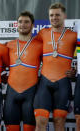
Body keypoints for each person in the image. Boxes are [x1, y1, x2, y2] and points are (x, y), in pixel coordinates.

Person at [34, 3, 77, 131]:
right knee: (41, 121)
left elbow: (79, 56)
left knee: (59, 122)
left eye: (57, 14)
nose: (54, 17)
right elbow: (31, 51)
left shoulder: (73, 36)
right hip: (44, 82)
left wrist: (76, 70)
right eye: (51, 15)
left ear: (64, 16)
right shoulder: (42, 33)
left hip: (63, 82)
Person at [3, 11, 42, 131]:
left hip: (30, 94)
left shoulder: (40, 45)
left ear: (32, 25)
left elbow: (54, 63)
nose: (23, 24)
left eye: (26, 22)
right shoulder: (8, 45)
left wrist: (71, 70)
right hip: (11, 94)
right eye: (20, 22)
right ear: (16, 24)